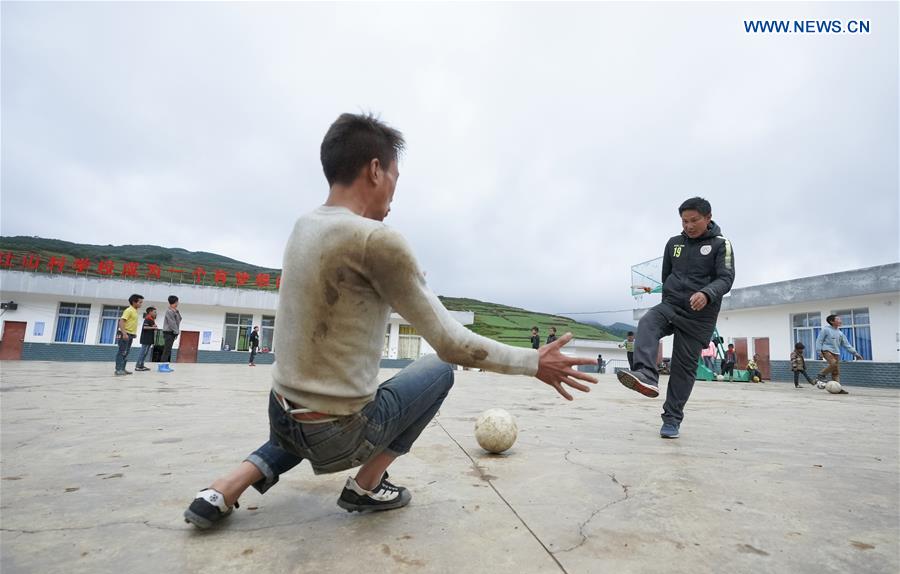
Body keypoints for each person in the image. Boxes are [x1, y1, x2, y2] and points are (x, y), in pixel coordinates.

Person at [183, 113, 598, 529]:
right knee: (438, 371)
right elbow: (452, 345)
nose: (395, 190)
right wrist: (533, 363)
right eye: (396, 176)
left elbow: (343, 302)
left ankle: (224, 488)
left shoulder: (304, 225)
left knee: (311, 403)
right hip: (338, 433)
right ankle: (367, 484)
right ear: (375, 169)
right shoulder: (378, 239)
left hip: (280, 413)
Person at [616, 197, 735, 439]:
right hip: (671, 306)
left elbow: (726, 278)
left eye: (694, 220)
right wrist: (671, 297)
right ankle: (647, 375)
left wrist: (706, 293)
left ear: (708, 217)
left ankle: (671, 419)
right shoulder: (674, 244)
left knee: (683, 369)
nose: (688, 226)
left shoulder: (721, 245)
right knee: (648, 322)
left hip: (699, 316)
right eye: (684, 221)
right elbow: (666, 275)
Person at [815, 314, 862, 394]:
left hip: (836, 353)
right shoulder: (825, 330)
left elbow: (847, 345)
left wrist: (855, 353)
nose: (840, 320)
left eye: (840, 319)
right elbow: (819, 340)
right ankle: (821, 374)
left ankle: (838, 389)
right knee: (833, 363)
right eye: (838, 319)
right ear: (832, 321)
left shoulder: (840, 333)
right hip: (826, 350)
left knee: (836, 372)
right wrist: (819, 351)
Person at [114, 294, 143, 376]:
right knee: (122, 351)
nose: (141, 304)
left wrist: (134, 334)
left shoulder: (135, 311)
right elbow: (121, 321)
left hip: (130, 334)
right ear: (134, 302)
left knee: (126, 352)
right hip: (125, 334)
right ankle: (118, 369)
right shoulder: (129, 310)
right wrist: (124, 333)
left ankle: (123, 368)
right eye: (140, 302)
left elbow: (131, 323)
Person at [160, 295, 181, 373]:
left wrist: (177, 312)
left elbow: (179, 319)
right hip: (169, 332)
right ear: (175, 302)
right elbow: (172, 323)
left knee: (168, 350)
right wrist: (176, 332)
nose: (178, 303)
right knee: (166, 350)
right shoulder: (169, 311)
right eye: (177, 301)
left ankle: (166, 365)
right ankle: (162, 366)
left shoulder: (174, 311)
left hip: (172, 332)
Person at [134, 306, 157, 372]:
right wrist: (153, 327)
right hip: (146, 339)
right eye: (154, 312)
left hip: (149, 339)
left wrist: (154, 327)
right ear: (150, 312)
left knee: (145, 353)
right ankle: (138, 366)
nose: (155, 313)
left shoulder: (152, 319)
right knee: (143, 352)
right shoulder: (147, 318)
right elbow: (145, 327)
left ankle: (141, 365)